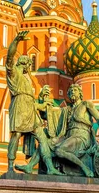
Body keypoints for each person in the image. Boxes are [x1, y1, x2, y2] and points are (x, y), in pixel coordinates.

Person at [6, 31, 60, 175]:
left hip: (30, 107)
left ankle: (49, 167)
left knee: (42, 137)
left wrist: (41, 103)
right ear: (23, 63)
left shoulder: (27, 78)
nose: (29, 67)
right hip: (19, 106)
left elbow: (32, 99)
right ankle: (10, 166)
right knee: (16, 135)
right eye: (28, 64)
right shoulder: (14, 73)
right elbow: (9, 58)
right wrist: (16, 40)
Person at [52, 84, 99, 178]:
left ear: (80, 93)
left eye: (75, 90)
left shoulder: (86, 104)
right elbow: (54, 118)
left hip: (82, 136)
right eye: (70, 91)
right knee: (48, 145)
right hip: (68, 136)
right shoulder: (67, 109)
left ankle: (84, 168)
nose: (72, 92)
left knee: (59, 151)